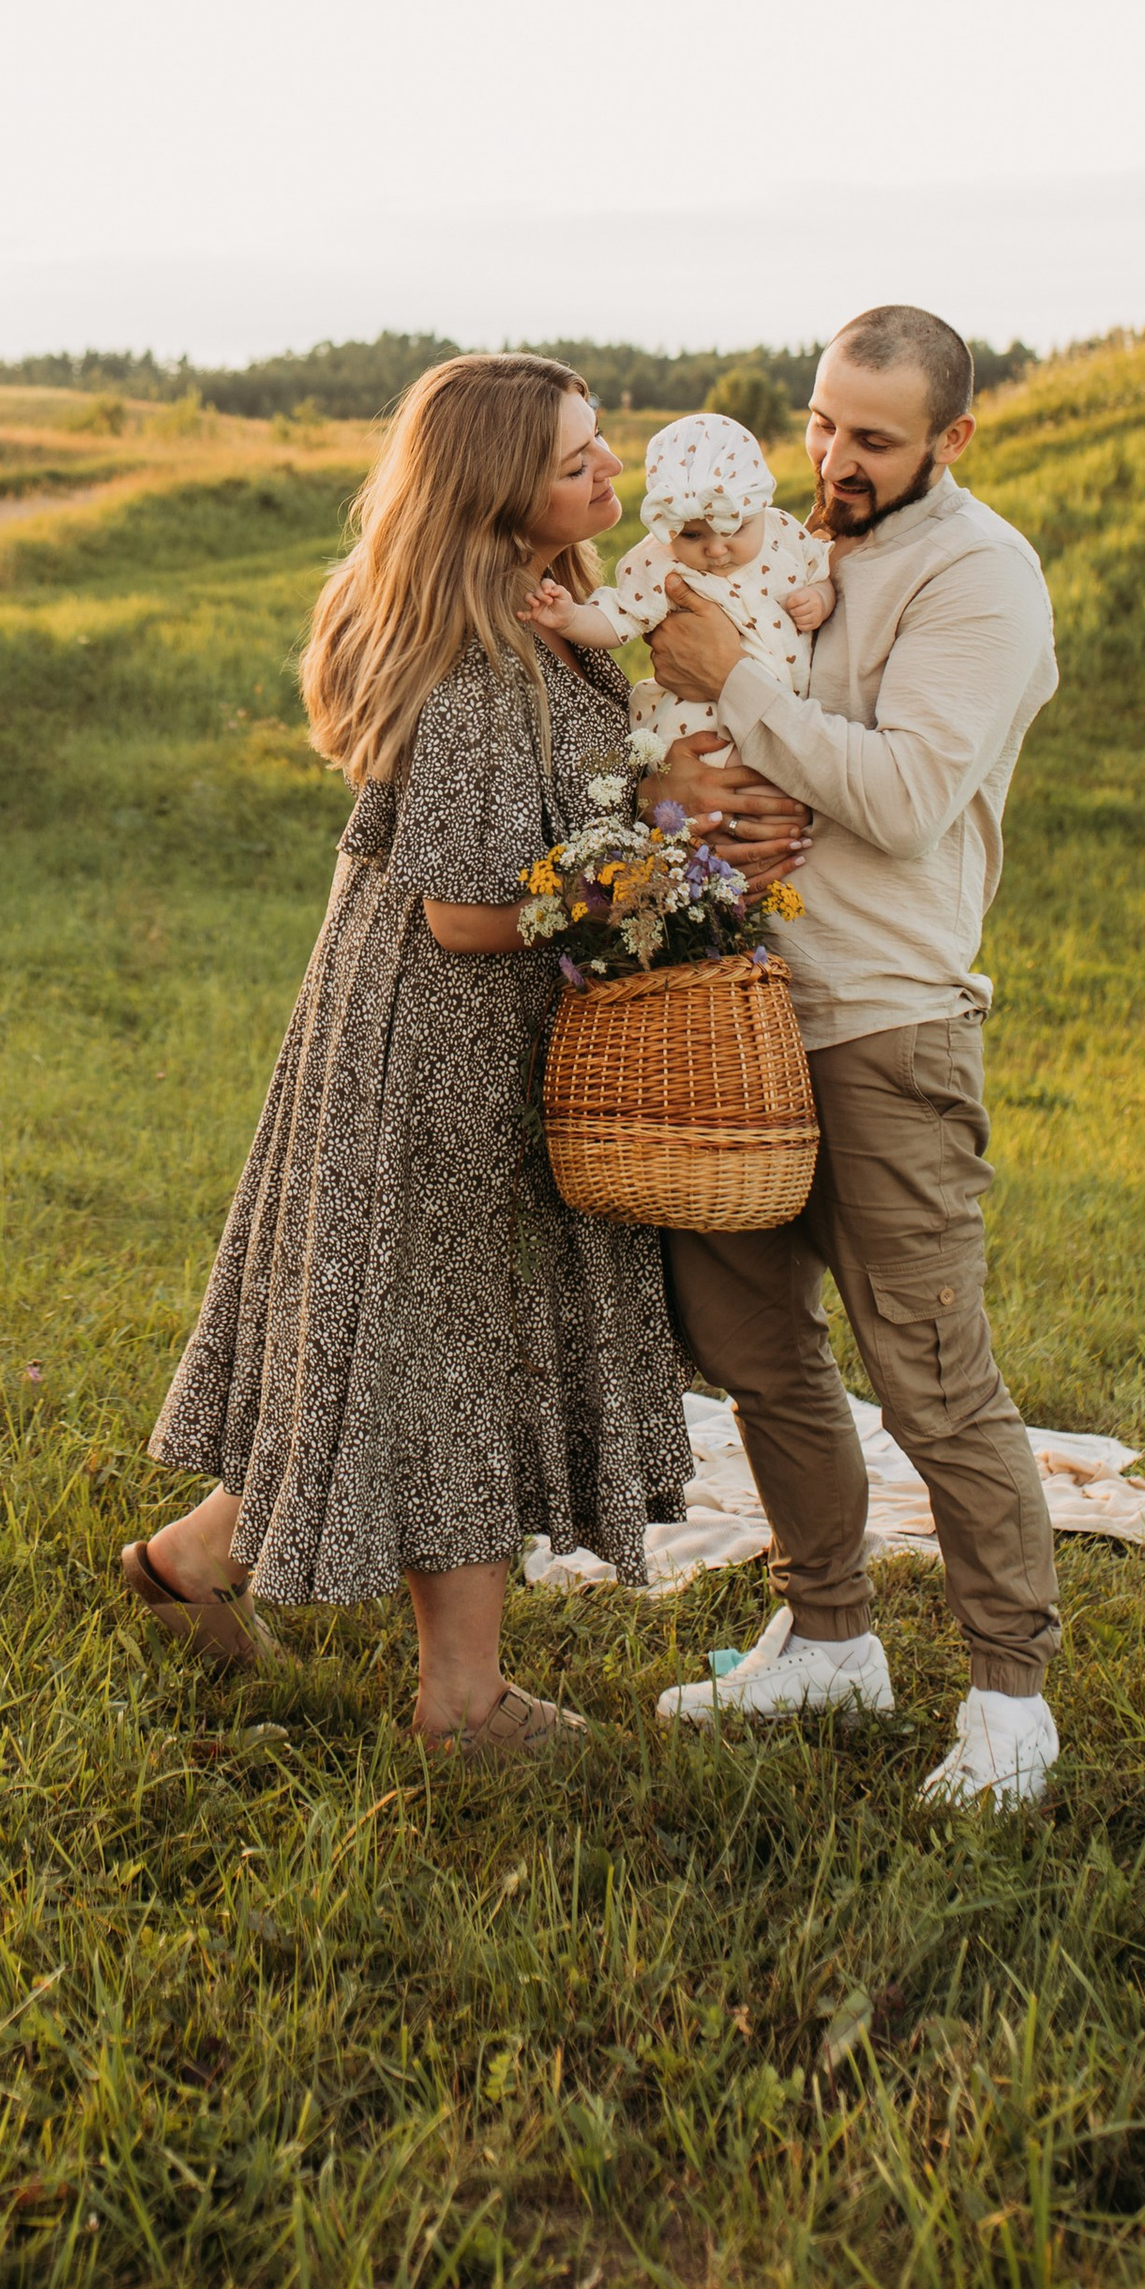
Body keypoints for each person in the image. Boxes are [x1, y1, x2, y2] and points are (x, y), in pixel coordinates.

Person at [124, 353, 809, 1760]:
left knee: (393, 1330)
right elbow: (464, 905)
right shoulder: (482, 659)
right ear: (500, 497)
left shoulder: (539, 618)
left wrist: (659, 795)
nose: (612, 471)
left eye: (602, 442)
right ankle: (464, 1702)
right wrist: (653, 871)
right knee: (447, 1340)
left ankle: (198, 1559)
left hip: (442, 1027)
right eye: (576, 461)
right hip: (442, 1041)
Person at [643, 303, 1064, 1809]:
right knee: (753, 1350)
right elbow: (695, 744)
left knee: (933, 1374)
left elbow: (904, 797)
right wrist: (696, 769)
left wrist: (738, 692)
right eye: (822, 423)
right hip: (734, 1018)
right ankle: (830, 1638)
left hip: (888, 1023)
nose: (832, 460)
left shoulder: (980, 578)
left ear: (954, 439)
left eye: (872, 439)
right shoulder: (779, 551)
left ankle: (1011, 1701)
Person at [525, 408, 834, 759]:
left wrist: (820, 597)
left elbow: (821, 569)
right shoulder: (660, 561)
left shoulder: (782, 532)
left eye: (735, 529)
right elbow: (617, 619)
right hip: (707, 721)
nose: (716, 549)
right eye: (691, 535)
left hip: (793, 708)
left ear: (762, 505)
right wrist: (571, 618)